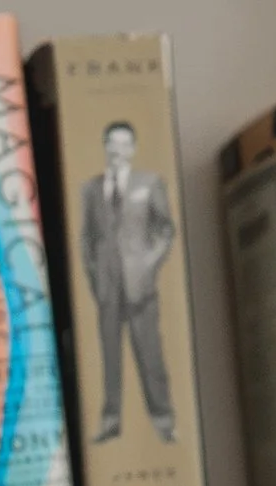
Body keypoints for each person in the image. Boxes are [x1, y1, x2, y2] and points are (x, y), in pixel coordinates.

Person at [81, 115, 178, 442]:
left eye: (125, 143)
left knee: (150, 354)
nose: (118, 149)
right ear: (105, 146)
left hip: (140, 284)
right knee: (110, 358)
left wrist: (149, 263)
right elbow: (87, 239)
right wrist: (95, 278)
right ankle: (110, 422)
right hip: (107, 287)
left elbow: (165, 229)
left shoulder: (150, 182)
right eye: (113, 142)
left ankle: (164, 420)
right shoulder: (92, 188)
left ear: (133, 148)